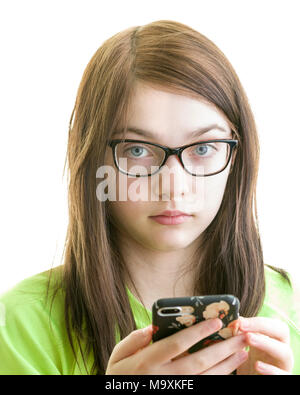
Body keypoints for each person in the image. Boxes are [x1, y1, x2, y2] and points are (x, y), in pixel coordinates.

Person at [0, 20, 299, 375]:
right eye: (138, 150)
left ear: (236, 156)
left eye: (203, 147)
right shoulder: (23, 326)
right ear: (95, 159)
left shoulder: (289, 309)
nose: (173, 186)